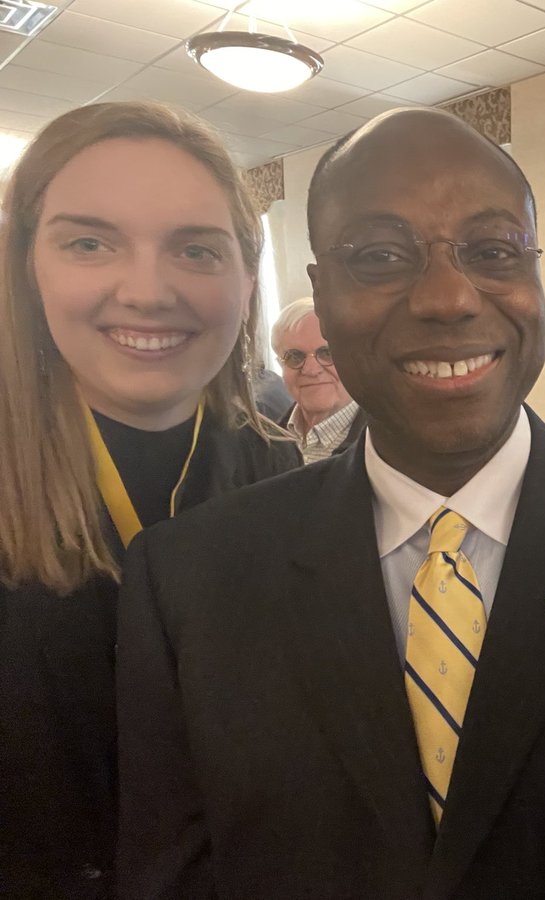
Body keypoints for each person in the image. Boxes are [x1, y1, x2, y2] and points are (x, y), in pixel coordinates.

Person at [116, 108, 545, 899]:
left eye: (493, 250)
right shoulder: (188, 579)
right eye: (378, 255)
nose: (447, 297)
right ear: (321, 296)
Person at [0, 101, 299, 898]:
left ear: (245, 277)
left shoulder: (286, 474)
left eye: (195, 249)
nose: (146, 291)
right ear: (27, 264)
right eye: (90, 242)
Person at [271, 296, 365, 462]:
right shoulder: (263, 445)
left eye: (327, 353)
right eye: (295, 356)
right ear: (280, 364)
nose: (311, 370)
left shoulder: (386, 444)